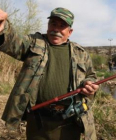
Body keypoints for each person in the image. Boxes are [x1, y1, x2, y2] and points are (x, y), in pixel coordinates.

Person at [0, 7, 99, 140]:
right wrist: (3, 25)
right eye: (53, 23)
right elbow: (13, 41)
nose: (56, 29)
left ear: (70, 32)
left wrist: (90, 85)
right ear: (48, 25)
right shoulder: (34, 42)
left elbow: (91, 76)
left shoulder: (81, 53)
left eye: (62, 26)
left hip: (70, 121)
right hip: (38, 121)